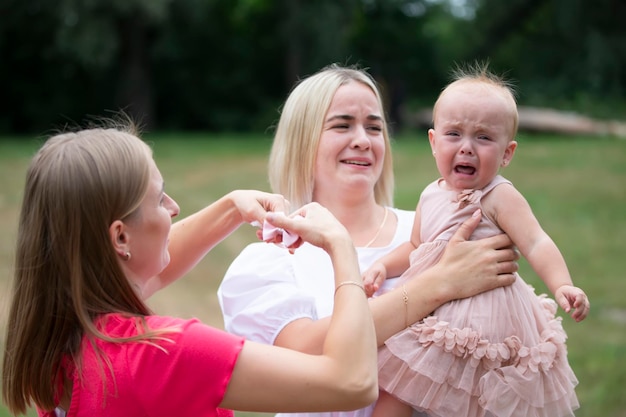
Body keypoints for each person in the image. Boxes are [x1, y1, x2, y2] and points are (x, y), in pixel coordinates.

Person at [1, 120, 385, 417]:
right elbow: (350, 381)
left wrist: (231, 209)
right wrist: (340, 246)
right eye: (159, 197)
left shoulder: (64, 337)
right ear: (120, 238)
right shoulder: (160, 352)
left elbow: (141, 269)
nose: (173, 207)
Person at [217, 63, 520, 417]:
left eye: (374, 127)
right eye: (342, 125)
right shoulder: (272, 258)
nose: (362, 139)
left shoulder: (438, 232)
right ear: (303, 139)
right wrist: (439, 285)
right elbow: (301, 353)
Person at [362, 64, 590, 417]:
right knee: (398, 391)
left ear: (507, 153)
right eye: (454, 134)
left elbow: (536, 243)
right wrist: (382, 264)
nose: (467, 148)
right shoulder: (429, 195)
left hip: (488, 323)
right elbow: (415, 247)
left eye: (483, 137)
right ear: (433, 142)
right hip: (432, 315)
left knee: (483, 400)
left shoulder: (499, 196)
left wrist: (562, 285)